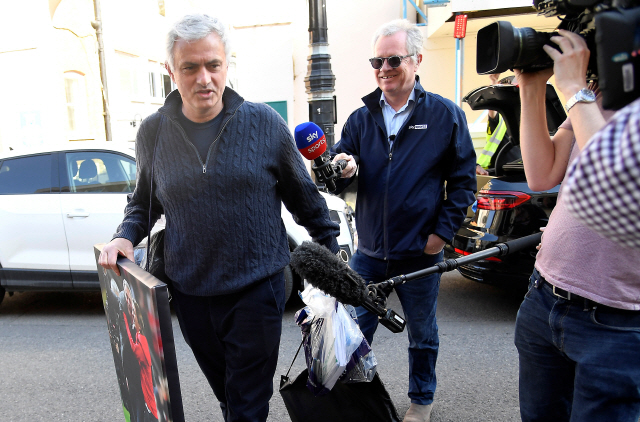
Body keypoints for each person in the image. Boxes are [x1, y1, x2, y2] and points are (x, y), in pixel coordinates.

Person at [98, 13, 341, 422]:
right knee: (230, 398)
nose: (204, 78)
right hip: (191, 295)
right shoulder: (152, 133)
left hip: (257, 290)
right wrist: (125, 235)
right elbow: (143, 203)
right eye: (190, 67)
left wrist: (333, 275)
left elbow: (308, 203)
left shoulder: (265, 123)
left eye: (213, 65)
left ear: (227, 63)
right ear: (171, 71)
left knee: (247, 406)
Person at [330, 19, 476, 422]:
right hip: (370, 252)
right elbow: (346, 173)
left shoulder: (445, 114)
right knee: (354, 334)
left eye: (393, 59)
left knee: (422, 335)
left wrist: (440, 235)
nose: (383, 68)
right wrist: (342, 167)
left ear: (416, 60)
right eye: (377, 60)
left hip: (421, 253)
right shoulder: (361, 118)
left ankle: (421, 401)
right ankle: (358, 400)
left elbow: (463, 184)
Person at [513, 28, 640, 422]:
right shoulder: (603, 94)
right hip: (544, 298)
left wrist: (573, 88)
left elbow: (616, 176)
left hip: (618, 324)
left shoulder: (592, 97)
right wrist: (531, 88)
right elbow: (542, 173)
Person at [562, 96, 640, 250]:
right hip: (549, 265)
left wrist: (573, 87)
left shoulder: (581, 94)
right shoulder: (595, 92)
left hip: (613, 272)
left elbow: (608, 183)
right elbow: (540, 179)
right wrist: (530, 87)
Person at [476, 73, 514, 176]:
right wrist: (493, 82)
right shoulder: (501, 120)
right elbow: (492, 106)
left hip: (518, 172)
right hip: (495, 172)